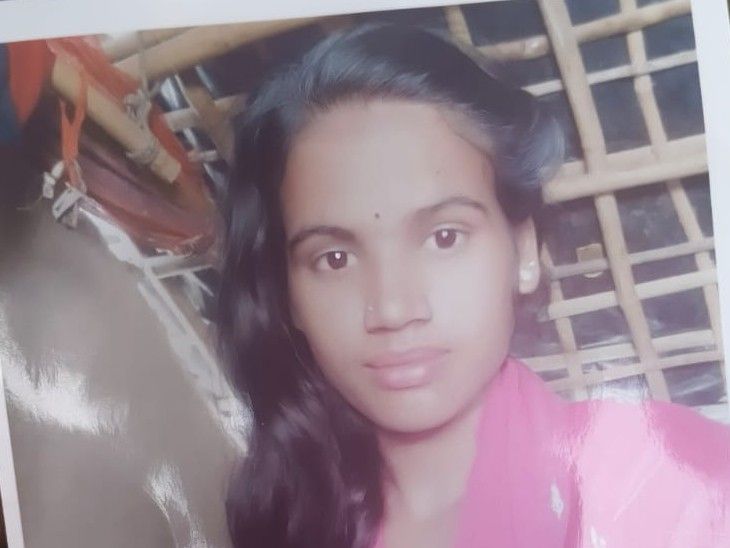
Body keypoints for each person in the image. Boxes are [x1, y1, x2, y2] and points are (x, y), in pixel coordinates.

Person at [215, 23, 730, 548]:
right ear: (289, 296)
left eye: (444, 237)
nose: (393, 308)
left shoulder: (672, 486)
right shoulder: (287, 520)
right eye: (335, 258)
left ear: (523, 251)